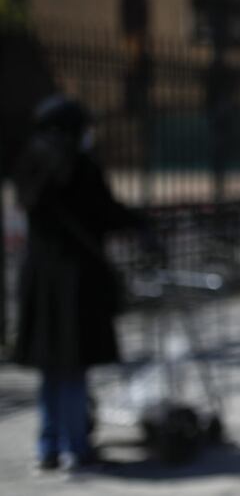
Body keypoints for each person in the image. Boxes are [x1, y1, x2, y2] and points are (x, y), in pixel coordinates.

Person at [13, 96, 155, 470]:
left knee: (51, 370)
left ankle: (48, 446)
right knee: (74, 368)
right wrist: (141, 224)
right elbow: (105, 212)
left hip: (40, 279)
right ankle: (76, 446)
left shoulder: (30, 162)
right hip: (75, 281)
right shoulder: (78, 165)